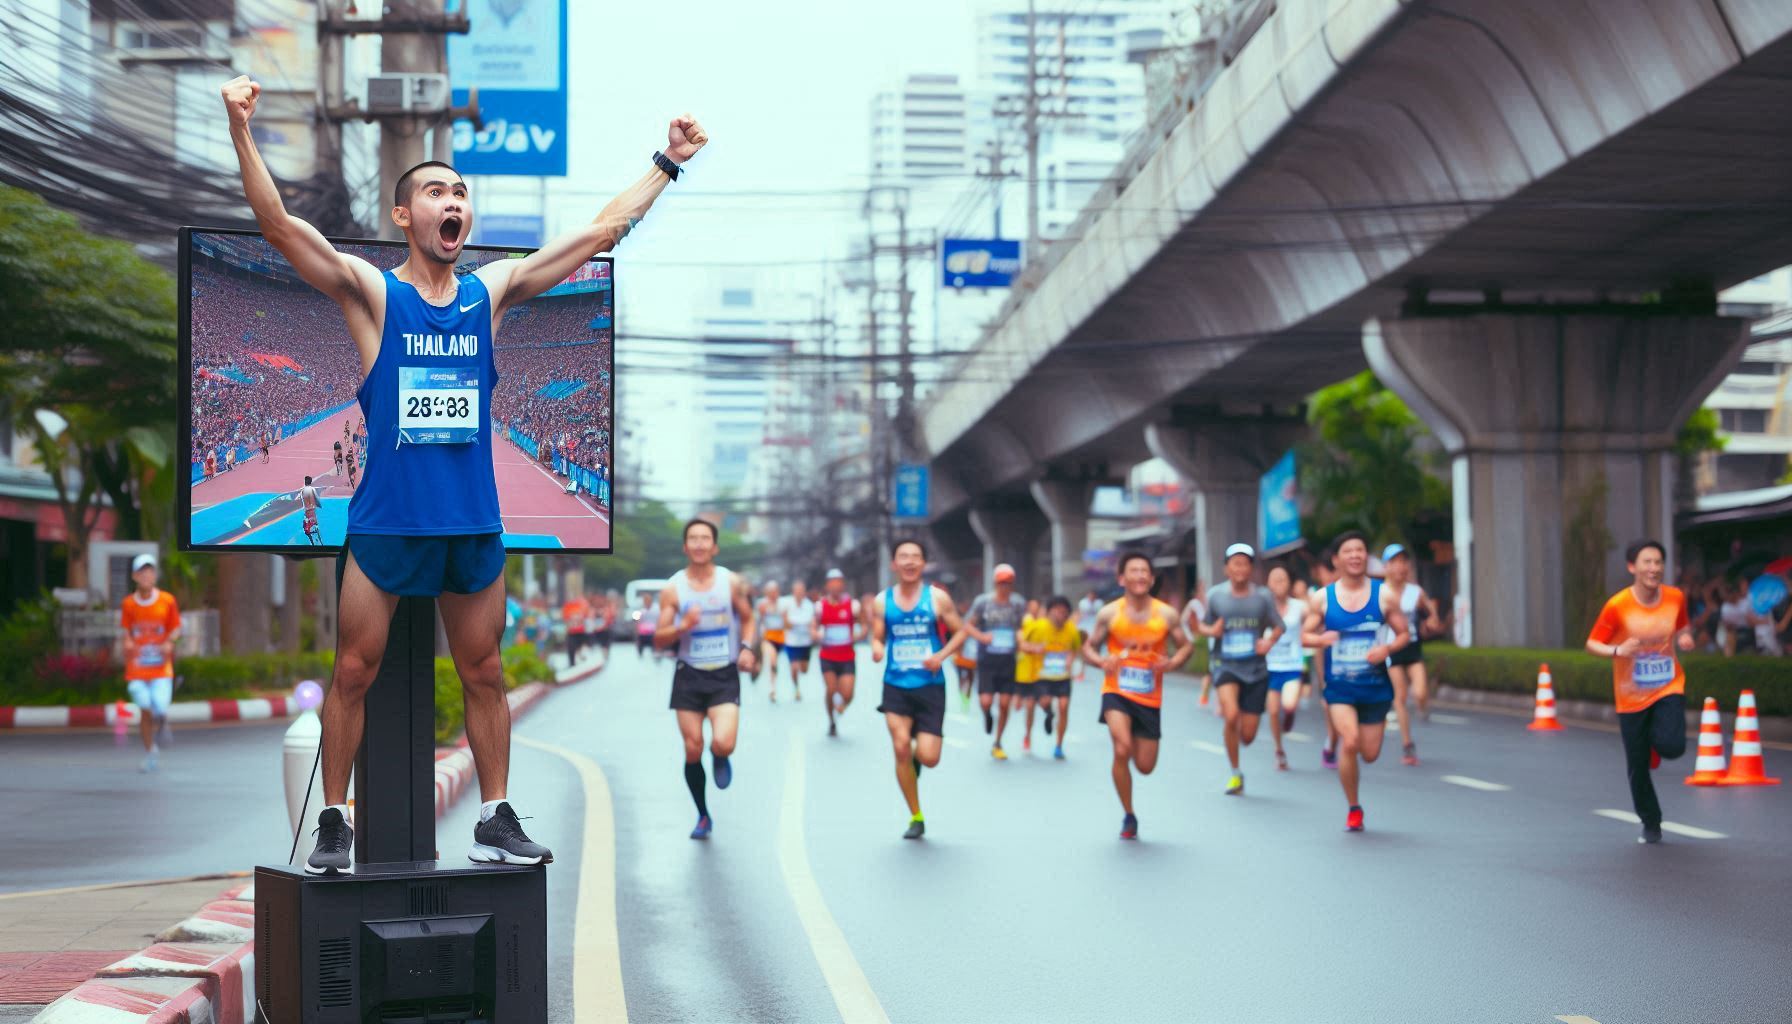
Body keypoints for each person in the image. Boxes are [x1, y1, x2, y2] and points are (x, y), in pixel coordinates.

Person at [222, 74, 705, 872]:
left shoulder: (491, 293)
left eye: (463, 193)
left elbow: (596, 236)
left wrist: (668, 161)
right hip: (384, 524)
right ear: (405, 216)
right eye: (438, 191)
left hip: (473, 525)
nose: (455, 202)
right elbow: (277, 227)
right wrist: (242, 128)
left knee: (484, 672)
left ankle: (495, 813)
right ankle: (335, 820)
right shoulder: (373, 294)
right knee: (352, 671)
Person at [1585, 539, 1695, 844]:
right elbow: (1592, 643)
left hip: (1668, 685)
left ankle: (1657, 746)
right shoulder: (1618, 605)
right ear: (1632, 567)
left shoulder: (1674, 598)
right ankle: (1651, 821)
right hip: (1630, 696)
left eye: (1659, 562)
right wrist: (1618, 649)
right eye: (1647, 562)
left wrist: (1685, 637)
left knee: (1673, 746)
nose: (1654, 568)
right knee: (1637, 766)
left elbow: (1683, 625)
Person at [1302, 531, 1410, 832]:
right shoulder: (1323, 598)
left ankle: (1355, 789)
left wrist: (1386, 648)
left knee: (1370, 754)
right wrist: (1321, 638)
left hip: (1375, 688)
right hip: (1340, 687)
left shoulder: (1384, 595)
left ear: (1366, 556)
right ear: (1337, 559)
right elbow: (1304, 635)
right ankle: (1353, 807)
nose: (1355, 555)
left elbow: (1404, 634)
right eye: (1348, 551)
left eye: (1360, 550)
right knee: (1349, 741)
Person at [656, 518, 757, 839]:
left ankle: (721, 755)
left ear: (714, 546)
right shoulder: (673, 588)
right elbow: (659, 638)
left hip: (724, 675)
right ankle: (702, 814)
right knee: (692, 747)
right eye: (693, 539)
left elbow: (749, 618)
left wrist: (746, 647)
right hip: (688, 676)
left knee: (723, 742)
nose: (699, 544)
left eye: (705, 539)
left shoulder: (731, 583)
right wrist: (682, 626)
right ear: (685, 547)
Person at [1083, 552, 1195, 839]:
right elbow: (1088, 647)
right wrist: (1100, 661)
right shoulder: (1109, 613)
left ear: (1152, 579)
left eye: (1145, 571)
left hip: (1148, 696)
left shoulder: (1166, 614)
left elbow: (1186, 646)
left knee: (1145, 766)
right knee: (1122, 749)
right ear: (1122, 579)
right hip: (1116, 690)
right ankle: (1129, 815)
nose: (1140, 576)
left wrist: (1171, 663)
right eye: (1133, 571)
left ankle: (1133, 739)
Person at [869, 539, 968, 839]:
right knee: (900, 746)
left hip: (930, 687)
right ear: (894, 564)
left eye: (915, 556)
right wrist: (875, 648)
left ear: (924, 564)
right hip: (896, 685)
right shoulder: (881, 601)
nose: (910, 561)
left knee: (929, 757)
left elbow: (961, 632)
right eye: (903, 556)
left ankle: (917, 754)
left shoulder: (937, 599)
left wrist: (940, 655)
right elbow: (877, 637)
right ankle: (916, 815)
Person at [1194, 543, 1285, 795]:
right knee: (1231, 715)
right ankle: (1235, 773)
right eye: (1235, 563)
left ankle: (1238, 755)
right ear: (1226, 568)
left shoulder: (1263, 596)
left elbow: (1279, 626)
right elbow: (1202, 627)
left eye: (1245, 563)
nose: (1240, 568)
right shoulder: (1216, 596)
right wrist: (1211, 631)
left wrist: (1269, 641)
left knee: (1248, 735)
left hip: (1255, 670)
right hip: (1226, 666)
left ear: (1251, 569)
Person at [120, 554, 181, 774]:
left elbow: (175, 628)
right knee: (144, 706)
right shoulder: (128, 603)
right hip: (137, 667)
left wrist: (169, 642)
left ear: (155, 574)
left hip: (161, 666)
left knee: (159, 705)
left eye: (150, 570)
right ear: (135, 576)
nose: (147, 575)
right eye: (142, 571)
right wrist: (127, 642)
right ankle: (150, 751)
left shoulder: (167, 600)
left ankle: (163, 722)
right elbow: (126, 630)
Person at [1381, 543, 1440, 763]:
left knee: (1421, 692)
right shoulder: (1380, 593)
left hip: (1413, 646)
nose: (1400, 566)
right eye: (1394, 562)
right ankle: (1407, 743)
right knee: (1401, 697)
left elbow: (1433, 614)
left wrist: (1432, 621)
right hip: (1391, 648)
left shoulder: (1415, 592)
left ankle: (1424, 707)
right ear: (1386, 566)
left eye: (1403, 561)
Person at [965, 563, 1028, 759]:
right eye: (1001, 583)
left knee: (1004, 702)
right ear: (995, 583)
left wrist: (1021, 638)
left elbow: (1022, 626)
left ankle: (998, 741)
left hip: (1008, 659)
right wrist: (981, 637)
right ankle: (987, 715)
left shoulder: (1018, 603)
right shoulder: (983, 602)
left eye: (1008, 583)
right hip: (987, 660)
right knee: (986, 701)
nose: (1004, 586)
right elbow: (968, 625)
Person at [1020, 595, 1080, 759]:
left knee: (1063, 705)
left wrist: (1070, 659)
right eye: (1058, 611)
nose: (1062, 615)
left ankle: (1059, 745)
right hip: (1042, 676)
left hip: (1062, 676)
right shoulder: (1038, 627)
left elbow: (1076, 647)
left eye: (1065, 612)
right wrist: (1034, 648)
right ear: (1050, 612)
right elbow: (1022, 643)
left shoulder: (1071, 629)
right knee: (1041, 702)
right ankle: (1038, 724)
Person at [1263, 565, 1305, 771]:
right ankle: (1279, 750)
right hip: (1270, 667)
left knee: (1288, 705)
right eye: (1275, 579)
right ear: (1268, 584)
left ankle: (1289, 716)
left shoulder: (1300, 607)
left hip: (1292, 666)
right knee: (1272, 711)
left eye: (1283, 579)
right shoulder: (1263, 608)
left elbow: (1315, 623)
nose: (1279, 583)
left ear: (1289, 583)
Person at [814, 569, 861, 721]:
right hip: (827, 655)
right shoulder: (820, 606)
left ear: (843, 585)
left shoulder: (852, 605)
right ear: (827, 586)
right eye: (832, 583)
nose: (835, 586)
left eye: (838, 582)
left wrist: (859, 634)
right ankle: (831, 720)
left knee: (848, 694)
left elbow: (865, 624)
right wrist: (816, 635)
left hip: (847, 655)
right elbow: (813, 627)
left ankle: (842, 707)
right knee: (832, 689)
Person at [780, 581, 822, 728]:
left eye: (801, 590)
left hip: (805, 642)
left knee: (804, 669)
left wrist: (808, 628)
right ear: (793, 591)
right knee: (794, 667)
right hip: (791, 642)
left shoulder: (809, 605)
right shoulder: (787, 604)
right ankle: (796, 688)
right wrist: (793, 623)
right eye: (796, 590)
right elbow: (785, 623)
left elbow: (812, 622)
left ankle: (800, 676)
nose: (799, 593)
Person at [1181, 580, 1215, 712]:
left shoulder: (1212, 601)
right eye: (1201, 589)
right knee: (1208, 670)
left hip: (1213, 637)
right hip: (1202, 639)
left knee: (1213, 669)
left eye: (1205, 588)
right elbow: (1183, 620)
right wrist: (1190, 637)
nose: (1204, 591)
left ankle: (1212, 697)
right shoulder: (1194, 604)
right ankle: (1204, 696)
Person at [756, 581, 786, 694]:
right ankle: (772, 688)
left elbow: (787, 623)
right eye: (771, 592)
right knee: (772, 658)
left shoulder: (783, 603)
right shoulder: (762, 604)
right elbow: (758, 622)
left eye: (775, 592)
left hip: (780, 637)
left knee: (775, 662)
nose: (773, 594)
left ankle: (773, 681)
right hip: (767, 637)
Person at [951, 597, 979, 710]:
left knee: (970, 677)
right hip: (960, 656)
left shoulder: (978, 628)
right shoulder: (959, 622)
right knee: (961, 678)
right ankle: (962, 695)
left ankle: (966, 698)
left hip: (972, 657)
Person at [1074, 589, 1102, 682]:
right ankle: (1081, 671)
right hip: (1083, 629)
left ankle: (1095, 665)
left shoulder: (1099, 603)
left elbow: (1100, 618)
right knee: (1083, 650)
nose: (1091, 597)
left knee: (1093, 651)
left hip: (1093, 630)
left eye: (1093, 596)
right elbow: (1078, 615)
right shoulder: (1083, 603)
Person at [562, 590, 591, 665]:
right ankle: (572, 663)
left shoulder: (582, 604)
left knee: (583, 645)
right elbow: (566, 619)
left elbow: (587, 617)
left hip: (582, 631)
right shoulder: (567, 606)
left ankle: (581, 656)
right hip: (572, 632)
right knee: (571, 648)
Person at [299, 474, 323, 546]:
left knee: (307, 525)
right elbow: (316, 498)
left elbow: (302, 501)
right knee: (314, 523)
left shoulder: (302, 491)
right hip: (312, 509)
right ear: (311, 482)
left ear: (305, 482)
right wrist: (319, 505)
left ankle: (311, 536)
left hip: (306, 510)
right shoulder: (312, 489)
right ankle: (317, 534)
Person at [635, 592, 657, 659]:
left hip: (653, 631)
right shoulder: (641, 610)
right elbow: (638, 621)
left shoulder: (656, 610)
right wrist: (637, 631)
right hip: (643, 632)